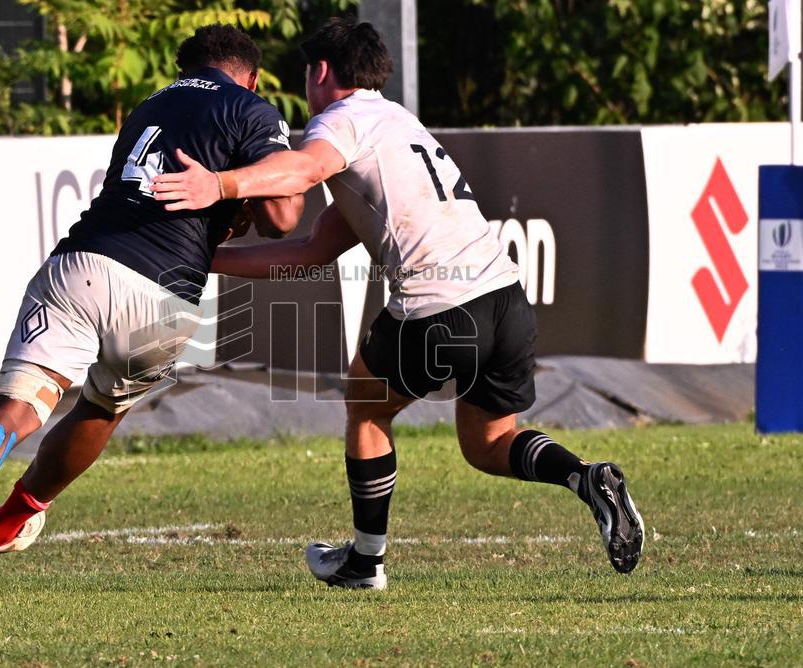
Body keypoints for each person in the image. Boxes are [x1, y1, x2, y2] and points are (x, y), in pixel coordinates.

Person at [151, 18, 644, 589]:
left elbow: (304, 170)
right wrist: (209, 261)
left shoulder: (341, 120)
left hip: (441, 305)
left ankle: (366, 562)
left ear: (321, 72)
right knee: (488, 443)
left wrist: (218, 185)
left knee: (365, 407)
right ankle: (587, 478)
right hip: (505, 299)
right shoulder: (397, 123)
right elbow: (313, 250)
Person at [0, 24, 303, 601]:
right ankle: (10, 521)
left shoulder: (150, 105)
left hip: (84, 265)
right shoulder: (251, 107)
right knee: (100, 409)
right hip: (165, 300)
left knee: (13, 409)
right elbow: (284, 217)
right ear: (249, 75)